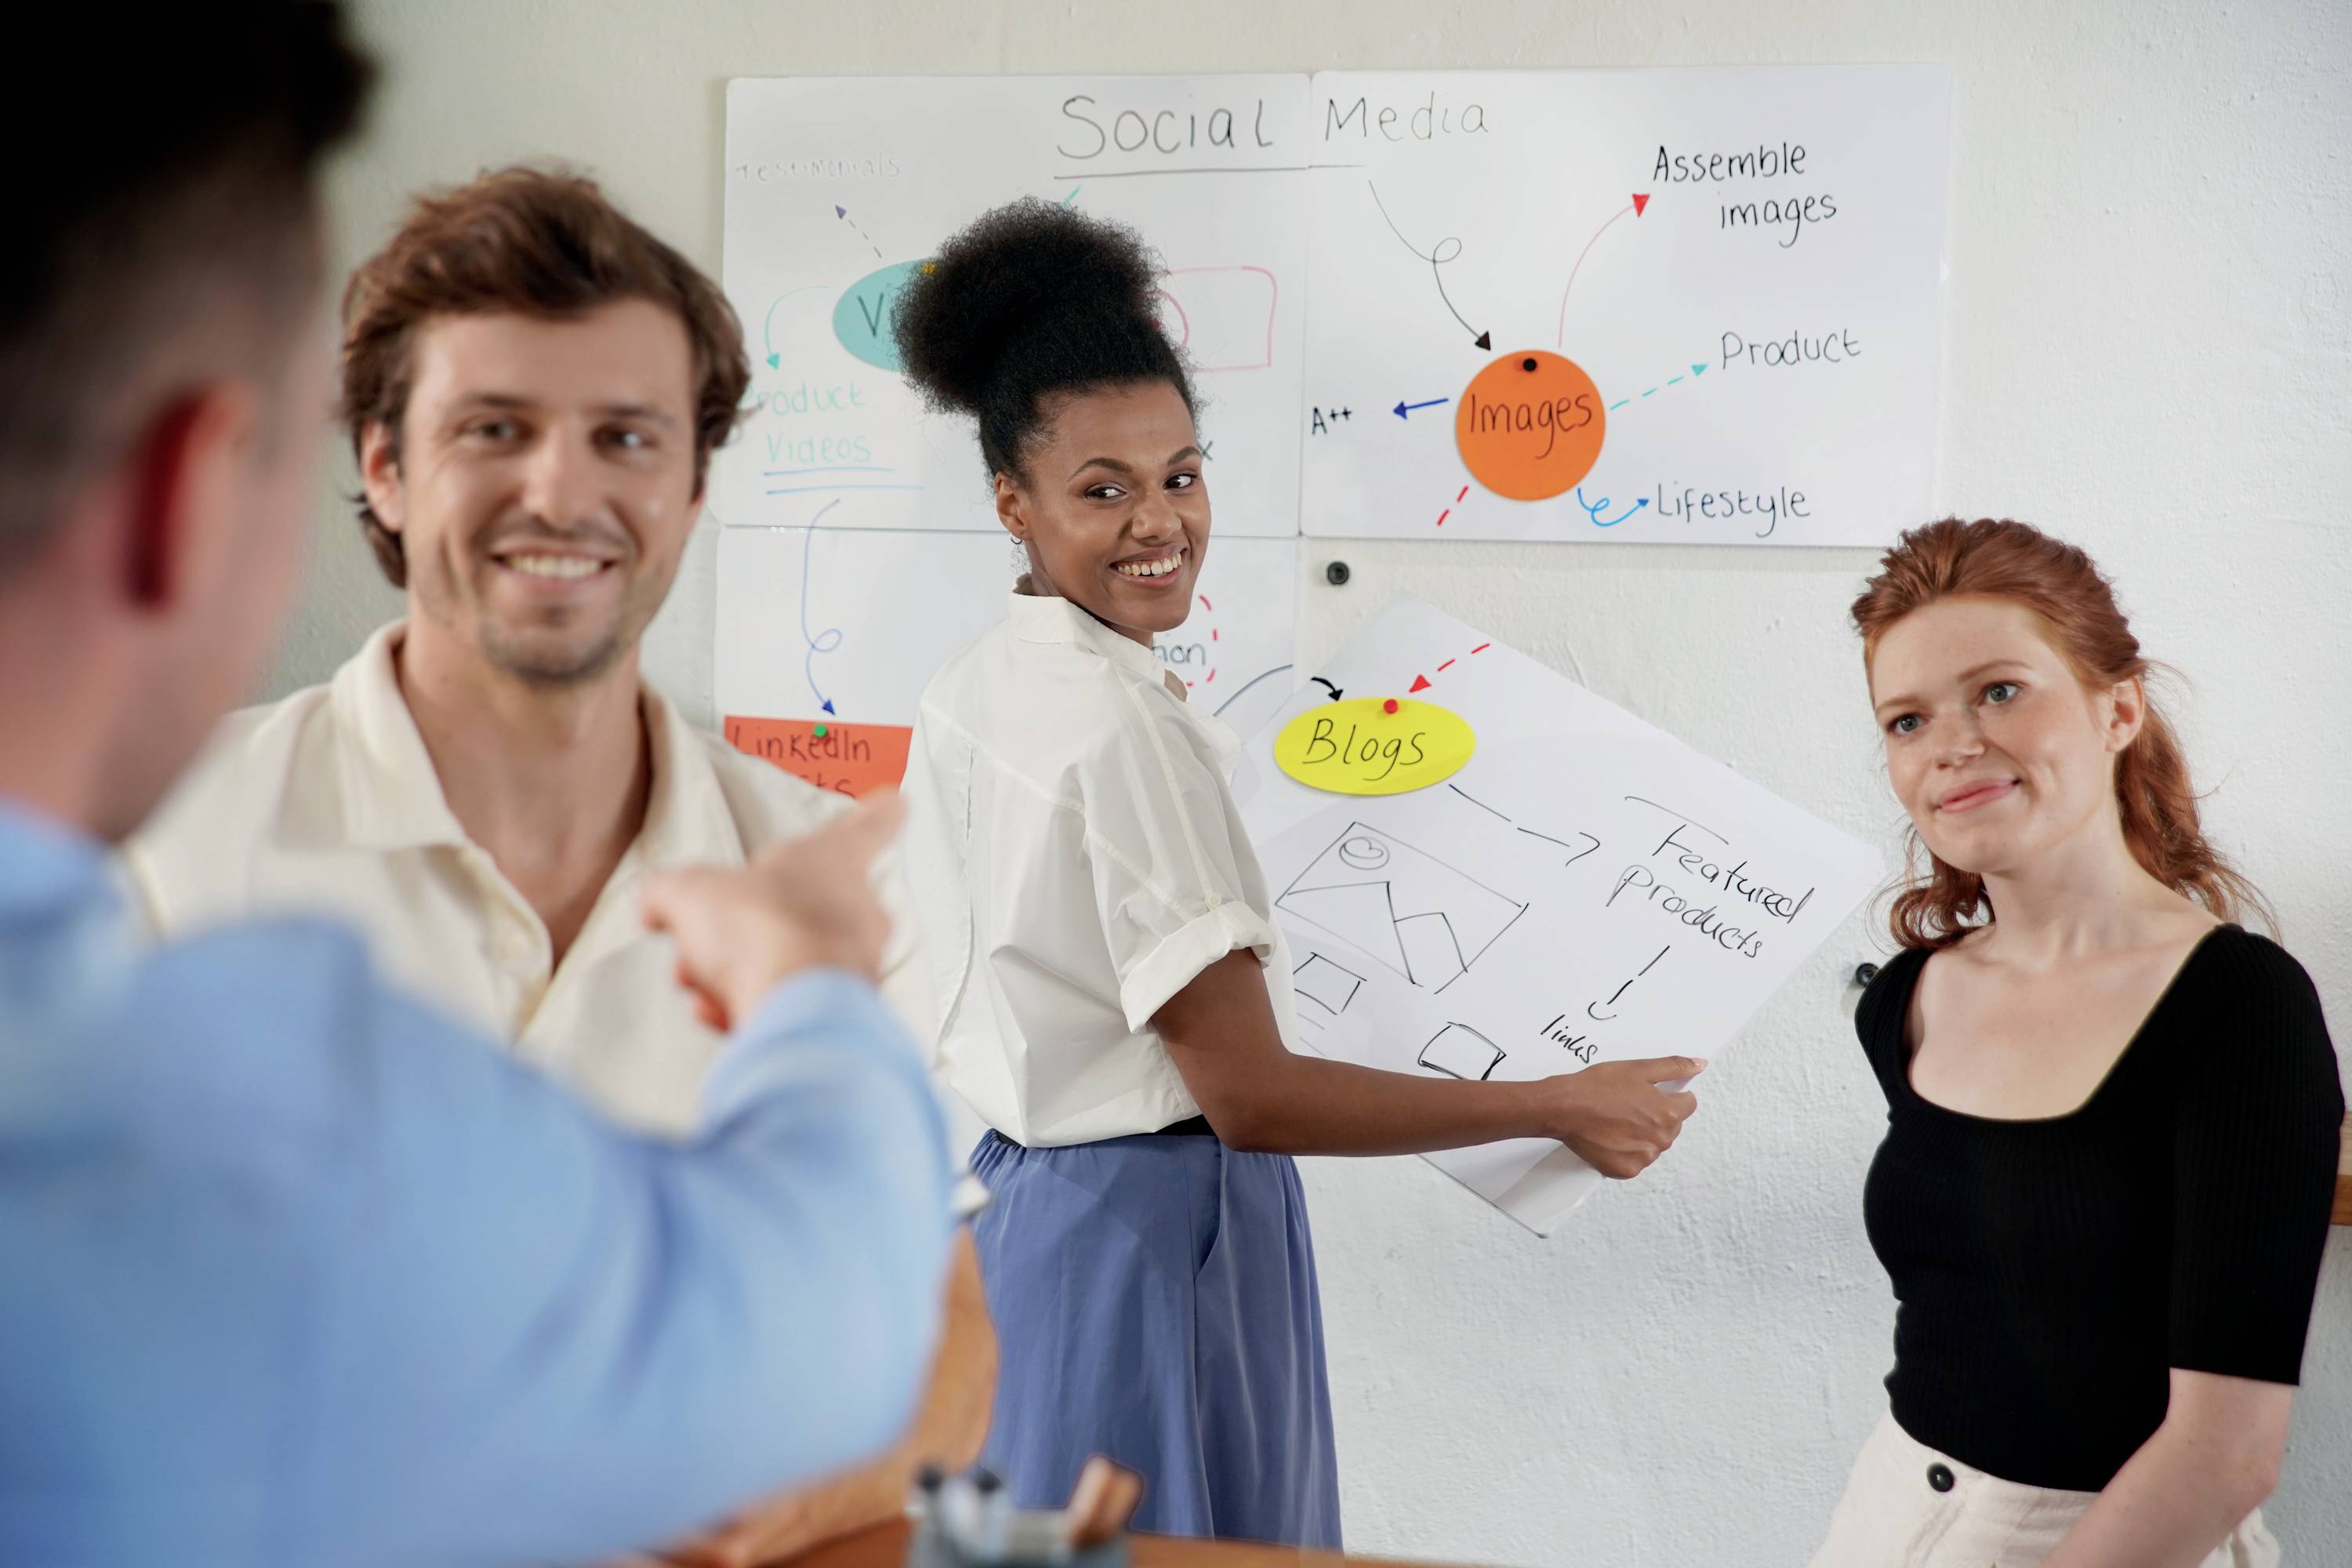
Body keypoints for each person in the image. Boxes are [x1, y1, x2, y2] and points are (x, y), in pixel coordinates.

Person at [0, 7, 953, 1564]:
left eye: (626, 436)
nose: (562, 491)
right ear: (370, 465)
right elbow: (836, 1301)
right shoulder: (198, 917)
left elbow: (941, 1322)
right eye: (492, 429)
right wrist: (810, 991)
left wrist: (773, 1499)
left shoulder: (803, 840)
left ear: (696, 485)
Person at [891, 199, 1707, 1548]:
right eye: (1103, 489)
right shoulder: (1118, 727)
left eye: (1183, 474)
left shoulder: (980, 684)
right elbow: (1252, 1096)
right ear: (1012, 504)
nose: (1161, 523)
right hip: (1162, 1227)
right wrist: (1556, 1103)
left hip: (1028, 1225)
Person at [1811, 518, 2342, 1568]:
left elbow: (2225, 1457)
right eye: (1907, 720)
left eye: (1999, 690)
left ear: (2120, 707)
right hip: (1890, 1514)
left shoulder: (2239, 1008)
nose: (1952, 743)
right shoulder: (1909, 997)